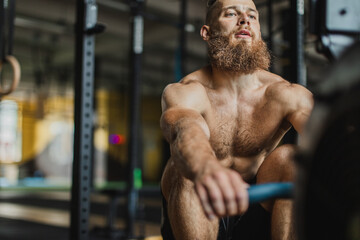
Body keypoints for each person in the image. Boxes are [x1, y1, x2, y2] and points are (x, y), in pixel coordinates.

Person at [160, 0, 313, 239]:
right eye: (231, 14)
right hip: (196, 208)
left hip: (255, 208)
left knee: (291, 159)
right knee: (183, 168)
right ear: (206, 32)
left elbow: (333, 138)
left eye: (252, 16)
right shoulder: (188, 91)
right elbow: (186, 131)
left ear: (259, 31)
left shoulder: (285, 94)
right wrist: (206, 169)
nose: (244, 20)